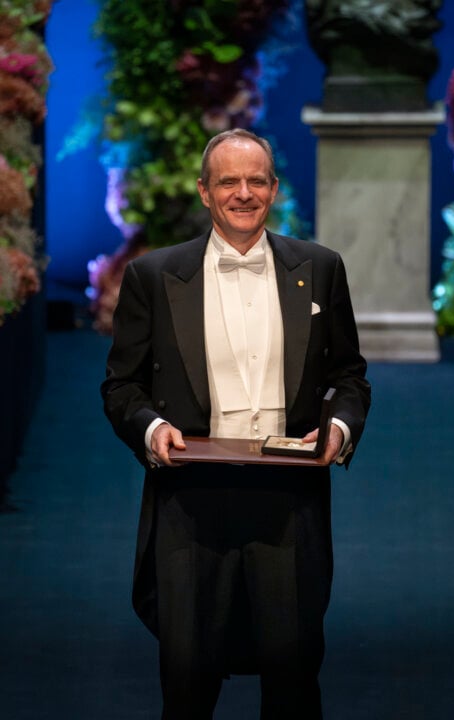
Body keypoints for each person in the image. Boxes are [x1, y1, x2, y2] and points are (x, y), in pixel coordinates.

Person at [101, 128, 371, 719]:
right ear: (204, 191)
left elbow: (350, 377)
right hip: (191, 505)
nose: (243, 193)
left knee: (294, 684)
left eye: (256, 181)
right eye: (229, 181)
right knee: (189, 686)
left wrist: (339, 430)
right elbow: (121, 386)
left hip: (290, 502)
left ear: (273, 189)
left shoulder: (321, 269)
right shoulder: (154, 277)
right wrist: (150, 429)